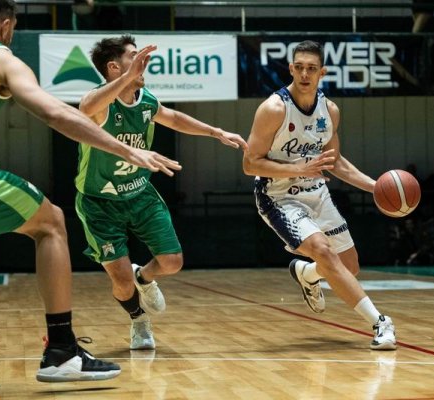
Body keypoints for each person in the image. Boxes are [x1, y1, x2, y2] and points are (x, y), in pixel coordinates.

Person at [0, 0, 181, 383]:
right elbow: (57, 114)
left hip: (132, 196)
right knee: (51, 223)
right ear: (7, 27)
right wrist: (127, 149)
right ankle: (61, 351)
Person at [75, 35, 248, 350]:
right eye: (133, 55)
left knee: (172, 262)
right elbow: (85, 108)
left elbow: (173, 118)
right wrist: (127, 78)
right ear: (114, 67)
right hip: (99, 202)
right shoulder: (99, 102)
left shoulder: (145, 99)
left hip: (140, 194)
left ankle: (146, 278)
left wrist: (215, 131)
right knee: (121, 280)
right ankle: (139, 321)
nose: (142, 59)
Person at [243, 40, 396, 350]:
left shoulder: (330, 111)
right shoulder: (274, 109)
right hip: (278, 195)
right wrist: (300, 167)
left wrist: (377, 188)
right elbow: (249, 163)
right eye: (299, 67)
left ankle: (307, 274)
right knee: (324, 251)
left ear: (322, 72)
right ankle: (381, 323)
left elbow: (335, 163)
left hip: (316, 192)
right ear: (290, 68)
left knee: (348, 267)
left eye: (311, 68)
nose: (304, 74)